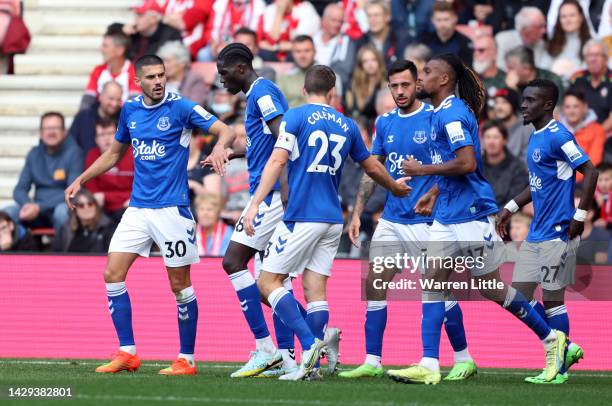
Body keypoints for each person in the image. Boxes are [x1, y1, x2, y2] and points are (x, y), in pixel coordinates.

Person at [387, 55, 566, 385]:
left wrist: (422, 171)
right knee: (433, 282)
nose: (420, 78)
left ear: (443, 80)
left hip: (472, 214)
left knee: (492, 289)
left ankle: (551, 339)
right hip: (448, 212)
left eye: (426, 72)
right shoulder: (440, 113)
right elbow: (453, 164)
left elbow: (467, 163)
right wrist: (434, 192)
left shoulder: (452, 115)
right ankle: (429, 362)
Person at [64, 54, 235, 375]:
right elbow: (115, 153)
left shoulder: (181, 107)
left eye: (162, 75)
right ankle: (127, 352)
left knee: (179, 284)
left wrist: (218, 147)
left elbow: (225, 130)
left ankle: (187, 359)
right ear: (138, 82)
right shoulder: (130, 109)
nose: (158, 81)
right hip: (139, 209)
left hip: (173, 210)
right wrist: (81, 179)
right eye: (151, 77)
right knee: (112, 274)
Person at [242, 64, 410, 380]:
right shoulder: (346, 124)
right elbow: (371, 166)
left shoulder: (294, 116)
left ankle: (310, 345)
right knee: (314, 289)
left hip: (303, 214)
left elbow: (278, 160)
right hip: (333, 218)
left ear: (305, 90)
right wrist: (395, 186)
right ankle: (313, 364)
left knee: (267, 282)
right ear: (333, 93)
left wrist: (254, 204)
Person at [339, 60, 476, 381]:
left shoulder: (435, 118)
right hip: (392, 219)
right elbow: (374, 169)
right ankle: (372, 361)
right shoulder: (384, 123)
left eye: (405, 85)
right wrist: (357, 212)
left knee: (439, 293)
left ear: (417, 84)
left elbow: (457, 166)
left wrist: (435, 196)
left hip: (428, 223)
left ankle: (463, 357)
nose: (399, 91)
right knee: (375, 283)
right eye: (393, 86)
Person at [497, 79, 599, 384]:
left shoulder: (558, 135)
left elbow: (590, 170)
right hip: (538, 229)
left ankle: (558, 368)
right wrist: (510, 208)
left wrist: (579, 215)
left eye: (530, 100)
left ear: (547, 105)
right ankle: (565, 347)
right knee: (519, 296)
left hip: (559, 231)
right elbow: (538, 183)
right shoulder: (536, 135)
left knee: (553, 301)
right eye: (524, 99)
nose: (523, 105)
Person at [205, 43, 294, 378]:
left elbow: (285, 137)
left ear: (241, 68)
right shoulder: (255, 95)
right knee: (269, 280)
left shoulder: (263, 93)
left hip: (270, 196)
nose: (221, 80)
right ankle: (295, 350)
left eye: (224, 73)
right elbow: (264, 144)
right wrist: (232, 153)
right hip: (267, 192)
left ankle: (267, 348)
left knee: (232, 262)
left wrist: (284, 188)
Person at [4, 112, 83, 235]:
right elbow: (19, 190)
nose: (51, 132)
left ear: (64, 132)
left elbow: (73, 192)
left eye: (56, 128)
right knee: (7, 213)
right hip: (35, 211)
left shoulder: (74, 153)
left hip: (60, 207)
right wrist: (28, 205)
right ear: (40, 133)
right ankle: (15, 251)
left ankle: (62, 253)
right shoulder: (33, 154)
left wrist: (39, 207)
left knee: (62, 212)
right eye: (47, 128)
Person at [84, 116, 134, 223]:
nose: (106, 139)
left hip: (129, 206)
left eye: (110, 133)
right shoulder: (92, 156)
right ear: (96, 139)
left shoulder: (133, 154)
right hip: (102, 208)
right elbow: (93, 192)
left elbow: (139, 189)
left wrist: (106, 196)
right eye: (101, 135)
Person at [81, 29, 139, 110]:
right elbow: (86, 103)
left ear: (120, 50)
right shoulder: (98, 70)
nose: (101, 49)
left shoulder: (136, 72)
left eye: (105, 46)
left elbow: (134, 108)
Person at [193, 0, 265, 62]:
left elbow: (257, 35)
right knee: (204, 54)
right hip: (221, 44)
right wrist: (213, 42)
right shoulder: (220, 4)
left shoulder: (258, 5)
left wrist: (238, 47)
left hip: (246, 46)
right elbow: (211, 30)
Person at [559, 88, 606, 176]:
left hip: (582, 183)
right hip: (554, 182)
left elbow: (592, 165)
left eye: (576, 106)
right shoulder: (555, 129)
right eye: (567, 107)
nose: (571, 111)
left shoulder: (597, 130)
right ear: (563, 109)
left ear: (585, 107)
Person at [482, 120, 529, 207]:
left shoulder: (517, 168)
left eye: (495, 137)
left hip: (506, 217)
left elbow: (514, 203)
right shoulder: (476, 166)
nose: (491, 142)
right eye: (487, 137)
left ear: (505, 140)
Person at [569, 40, 612, 132]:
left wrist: (595, 135)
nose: (593, 59)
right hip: (578, 132)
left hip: (606, 136)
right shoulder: (577, 78)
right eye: (589, 55)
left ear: (606, 59)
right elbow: (568, 107)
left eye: (597, 55)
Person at [256, 0, 321, 62]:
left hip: (298, 52)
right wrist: (279, 13)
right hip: (276, 53)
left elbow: (301, 43)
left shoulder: (305, 8)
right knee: (266, 54)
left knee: (296, 53)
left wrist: (276, 47)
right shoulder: (271, 9)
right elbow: (272, 39)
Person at [70, 81, 123, 155]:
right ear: (101, 96)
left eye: (118, 100)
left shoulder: (125, 119)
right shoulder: (83, 117)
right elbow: (71, 144)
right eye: (111, 99)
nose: (114, 104)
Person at [354, 0, 410, 67]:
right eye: (369, 16)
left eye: (376, 15)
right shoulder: (361, 42)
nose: (372, 20)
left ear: (388, 17)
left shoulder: (401, 38)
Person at [495, 7, 552, 71]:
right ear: (525, 29)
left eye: (544, 26)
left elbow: (542, 69)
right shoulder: (502, 40)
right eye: (539, 27)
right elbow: (498, 67)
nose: (544, 31)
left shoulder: (542, 44)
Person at [547, 0, 592, 79]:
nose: (568, 20)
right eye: (563, 16)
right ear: (559, 20)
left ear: (581, 17)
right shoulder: (552, 43)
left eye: (572, 15)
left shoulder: (591, 44)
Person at [422, 1, 474, 67]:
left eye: (446, 19)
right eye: (438, 20)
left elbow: (467, 72)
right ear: (432, 20)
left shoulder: (465, 43)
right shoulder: (425, 42)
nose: (442, 24)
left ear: (455, 19)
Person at [345, 44, 386, 127]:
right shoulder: (353, 85)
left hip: (379, 128)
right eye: (365, 61)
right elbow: (350, 111)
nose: (370, 64)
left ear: (379, 61)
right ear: (361, 64)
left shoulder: (386, 84)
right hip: (358, 129)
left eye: (373, 60)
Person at [490, 87, 533, 161]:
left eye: (504, 102)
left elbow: (529, 159)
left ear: (513, 105)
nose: (499, 107)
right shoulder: (491, 126)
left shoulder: (527, 127)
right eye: (496, 102)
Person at [276, 35, 316, 107]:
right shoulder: (283, 77)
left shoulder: (328, 76)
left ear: (315, 51)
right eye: (298, 51)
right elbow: (279, 106)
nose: (302, 55)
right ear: (292, 53)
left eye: (307, 51)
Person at [472, 35, 506, 99]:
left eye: (481, 50)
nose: (475, 54)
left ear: (495, 53)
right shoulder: (467, 79)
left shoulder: (507, 80)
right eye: (474, 50)